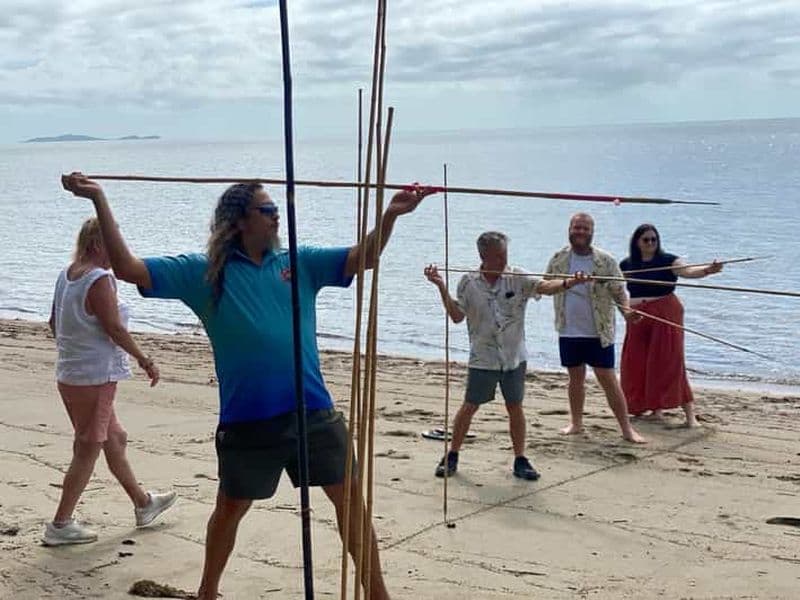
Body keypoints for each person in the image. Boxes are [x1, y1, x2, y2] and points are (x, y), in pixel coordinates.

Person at [62, 172, 435, 600]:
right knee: (230, 509)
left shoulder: (298, 262)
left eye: (277, 210)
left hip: (313, 409)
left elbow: (361, 258)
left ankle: (377, 594)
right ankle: (207, 592)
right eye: (268, 210)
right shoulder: (203, 272)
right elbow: (129, 270)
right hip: (248, 418)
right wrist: (99, 199)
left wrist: (389, 216)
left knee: (350, 500)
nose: (278, 217)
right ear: (239, 220)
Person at [44, 217, 177, 546]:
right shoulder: (99, 278)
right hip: (94, 377)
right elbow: (114, 329)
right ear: (96, 245)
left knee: (114, 438)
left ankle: (143, 504)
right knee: (87, 447)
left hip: (72, 375)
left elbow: (53, 323)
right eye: (114, 242)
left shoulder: (68, 273)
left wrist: (74, 350)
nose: (120, 250)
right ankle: (60, 524)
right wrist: (145, 359)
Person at [424, 231, 588, 480]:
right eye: (498, 256)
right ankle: (452, 454)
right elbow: (457, 316)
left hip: (513, 356)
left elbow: (544, 287)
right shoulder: (468, 282)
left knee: (515, 406)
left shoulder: (517, 276)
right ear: (483, 256)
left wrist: (568, 283)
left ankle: (520, 459)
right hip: (483, 357)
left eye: (504, 255)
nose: (503, 261)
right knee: (470, 405)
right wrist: (441, 287)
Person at [545, 213, 646, 443]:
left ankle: (627, 429)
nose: (580, 232)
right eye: (576, 227)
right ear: (569, 229)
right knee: (575, 378)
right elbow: (545, 285)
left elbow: (620, 292)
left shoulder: (605, 261)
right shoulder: (559, 258)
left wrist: (628, 314)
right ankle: (576, 423)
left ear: (592, 232)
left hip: (598, 331)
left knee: (608, 379)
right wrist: (567, 282)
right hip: (568, 330)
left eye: (585, 228)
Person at [619, 223, 722, 427]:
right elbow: (616, 288)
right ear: (637, 242)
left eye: (654, 239)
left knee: (669, 360)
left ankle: (690, 416)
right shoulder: (626, 264)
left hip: (665, 311)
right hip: (637, 315)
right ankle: (654, 409)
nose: (650, 243)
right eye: (646, 239)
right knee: (637, 361)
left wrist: (708, 270)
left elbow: (689, 272)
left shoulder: (669, 260)